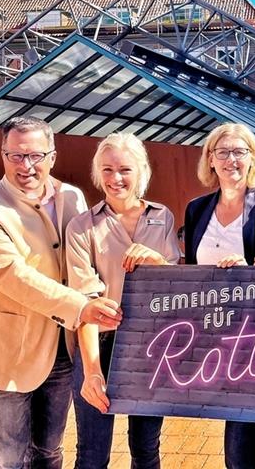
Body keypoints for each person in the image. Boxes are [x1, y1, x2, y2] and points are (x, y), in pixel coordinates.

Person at [0, 116, 122, 469]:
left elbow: (89, 257)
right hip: (5, 357)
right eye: (15, 156)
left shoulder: (72, 197)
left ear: (52, 156)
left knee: (49, 453)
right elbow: (11, 275)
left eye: (35, 155)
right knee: (6, 461)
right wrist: (82, 307)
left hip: (61, 354)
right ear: (2, 156)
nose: (25, 166)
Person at [65, 133, 181, 468]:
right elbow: (83, 303)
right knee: (92, 451)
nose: (116, 179)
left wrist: (156, 261)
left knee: (146, 449)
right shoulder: (81, 227)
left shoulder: (163, 217)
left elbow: (176, 284)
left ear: (141, 171)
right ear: (97, 173)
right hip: (99, 344)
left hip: (153, 346)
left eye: (125, 169)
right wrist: (91, 371)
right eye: (108, 169)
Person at [184, 123, 255, 469]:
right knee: (249, 443)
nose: (232, 160)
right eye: (223, 152)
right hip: (212, 341)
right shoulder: (196, 209)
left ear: (252, 159)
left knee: (241, 447)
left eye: (240, 152)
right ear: (210, 160)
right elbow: (189, 273)